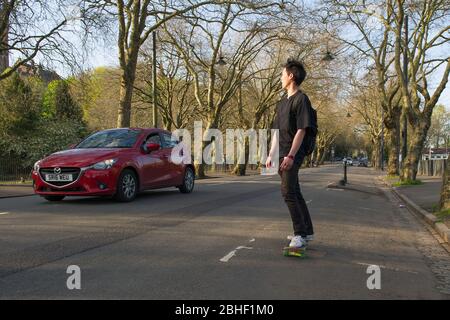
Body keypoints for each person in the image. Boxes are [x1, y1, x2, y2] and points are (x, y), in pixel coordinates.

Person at [266, 58, 315, 249]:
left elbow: (302, 130)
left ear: (291, 76)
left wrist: (291, 156)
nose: (280, 78)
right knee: (294, 191)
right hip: (281, 151)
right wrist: (271, 154)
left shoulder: (301, 99)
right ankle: (307, 231)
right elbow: (276, 132)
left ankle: (300, 234)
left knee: (288, 192)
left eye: (282, 74)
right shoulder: (281, 103)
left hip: (293, 152)